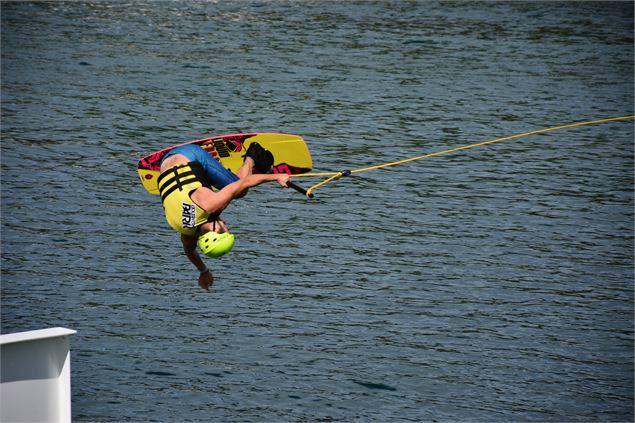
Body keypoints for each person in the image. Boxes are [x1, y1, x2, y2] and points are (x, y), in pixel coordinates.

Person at [158, 142, 291, 290]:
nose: (227, 225)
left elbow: (245, 182)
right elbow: (189, 251)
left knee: (239, 189)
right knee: (221, 187)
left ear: (217, 230)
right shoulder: (188, 232)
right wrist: (203, 271)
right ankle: (215, 178)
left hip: (189, 154)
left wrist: (276, 177)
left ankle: (253, 156)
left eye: (226, 229)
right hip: (164, 163)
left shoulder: (211, 204)